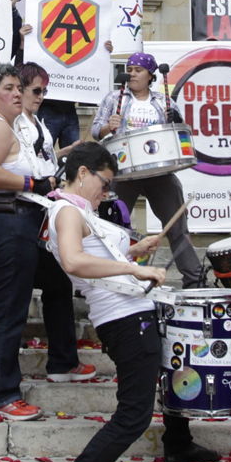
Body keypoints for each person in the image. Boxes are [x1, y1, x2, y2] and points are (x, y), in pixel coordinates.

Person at [43, 142, 219, 462]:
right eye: (104, 183)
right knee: (134, 415)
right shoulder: (67, 210)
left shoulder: (80, 211)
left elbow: (99, 257)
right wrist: (137, 271)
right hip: (122, 318)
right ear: (83, 172)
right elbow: (73, 261)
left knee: (173, 374)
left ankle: (178, 440)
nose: (107, 192)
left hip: (132, 313)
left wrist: (135, 251)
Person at [0, 64, 89, 420]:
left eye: (19, 88)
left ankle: (63, 361)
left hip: (23, 221)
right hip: (4, 218)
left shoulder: (14, 127)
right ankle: (3, 395)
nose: (18, 93)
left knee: (56, 280)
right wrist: (31, 185)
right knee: (9, 309)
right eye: (9, 88)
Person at [90, 52, 205, 289]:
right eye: (129, 69)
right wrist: (106, 128)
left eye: (138, 70)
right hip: (123, 171)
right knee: (112, 227)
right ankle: (103, 277)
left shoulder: (165, 102)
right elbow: (94, 130)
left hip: (160, 171)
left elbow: (178, 135)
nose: (132, 73)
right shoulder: (114, 98)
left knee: (177, 226)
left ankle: (194, 279)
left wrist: (177, 119)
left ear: (151, 75)